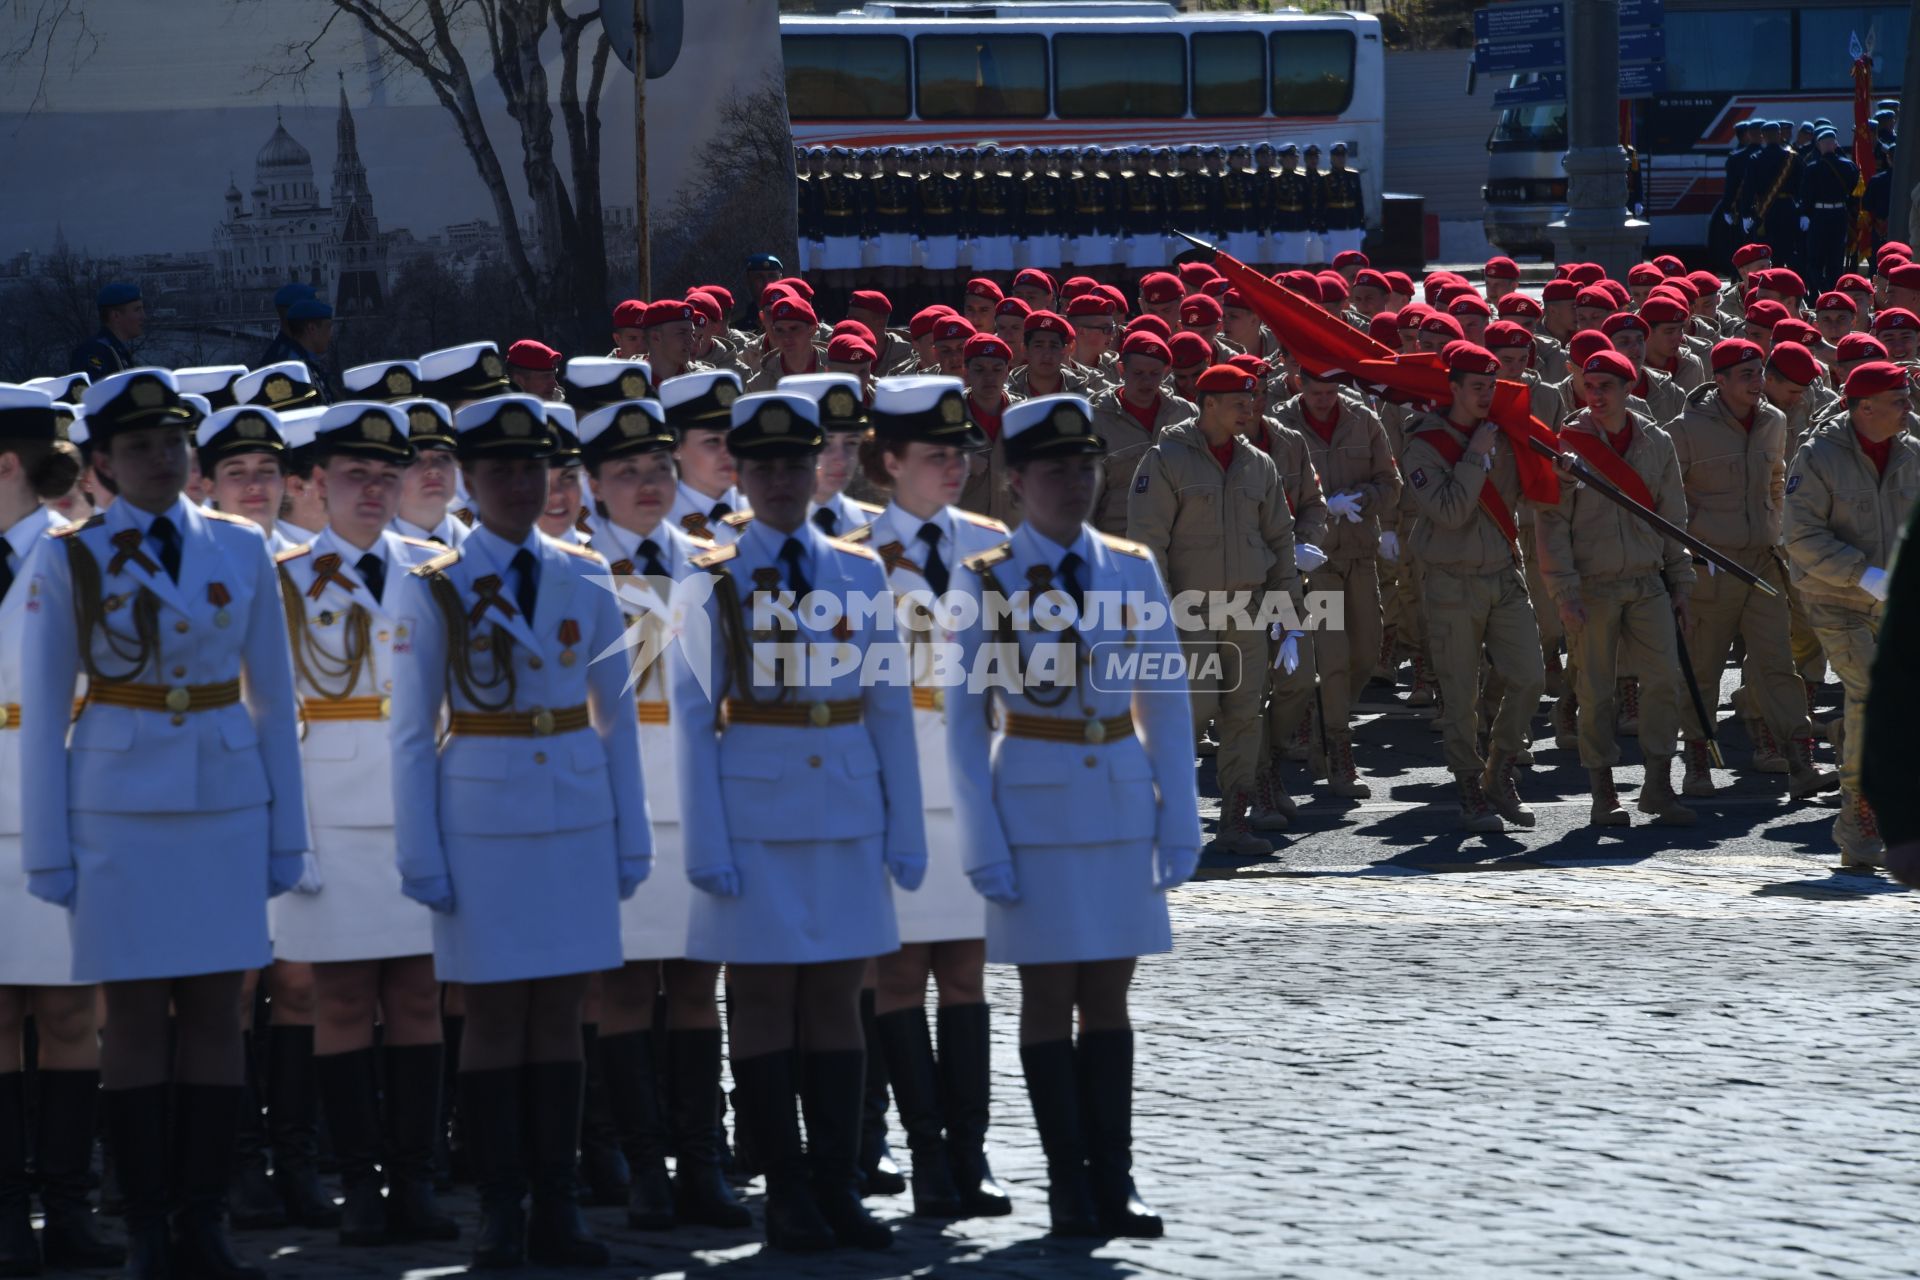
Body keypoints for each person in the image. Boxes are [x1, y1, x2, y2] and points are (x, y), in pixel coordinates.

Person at [22, 368, 311, 1280]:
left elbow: (276, 698)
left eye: (171, 443)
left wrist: (286, 832)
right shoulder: (71, 557)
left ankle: (206, 1216)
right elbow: (40, 713)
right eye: (137, 446)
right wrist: (47, 850)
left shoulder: (239, 547)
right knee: (140, 1016)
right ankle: (148, 1221)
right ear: (99, 463)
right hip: (118, 808)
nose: (159, 458)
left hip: (225, 803)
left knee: (220, 1013)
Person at [388, 393, 649, 1267]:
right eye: (497, 468)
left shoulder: (586, 572)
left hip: (574, 811)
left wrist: (631, 835)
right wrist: (420, 854)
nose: (516, 483)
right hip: (483, 821)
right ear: (467, 477)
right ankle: (501, 1208)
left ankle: (559, 1200)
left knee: (565, 1011)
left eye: (530, 466)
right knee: (498, 1015)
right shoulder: (438, 583)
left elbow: (618, 717)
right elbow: (410, 732)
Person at [667, 389, 925, 1253]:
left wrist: (906, 828)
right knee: (767, 1001)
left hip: (847, 806)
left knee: (838, 1002)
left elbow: (889, 706)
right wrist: (704, 845)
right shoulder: (707, 577)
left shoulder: (860, 572)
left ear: (818, 468)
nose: (779, 479)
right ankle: (784, 1190)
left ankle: (837, 1182)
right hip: (754, 814)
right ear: (739, 472)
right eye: (763, 464)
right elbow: (694, 723)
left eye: (793, 463)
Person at [945, 393, 1199, 1239]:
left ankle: (1115, 1177)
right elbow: (960, 721)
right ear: (1014, 480)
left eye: (1085, 465)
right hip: (1034, 803)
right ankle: (1067, 1183)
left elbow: (1164, 701)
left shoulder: (1132, 567)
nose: (1073, 482)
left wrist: (1180, 815)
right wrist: (980, 840)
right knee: (1049, 996)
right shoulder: (985, 579)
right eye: (1053, 469)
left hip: (1121, 800)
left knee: (1111, 996)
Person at [270, 400, 458, 1248]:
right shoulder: (280, 580)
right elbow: (265, 720)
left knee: (419, 997)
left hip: (424, 815)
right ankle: (359, 1185)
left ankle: (416, 1178)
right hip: (329, 822)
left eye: (387, 477)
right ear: (315, 485)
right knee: (339, 999)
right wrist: (289, 839)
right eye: (355, 476)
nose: (375, 491)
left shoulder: (438, 570)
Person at [572, 397, 750, 1234]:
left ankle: (701, 1159)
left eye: (656, 469)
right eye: (624, 472)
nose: (645, 485)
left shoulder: (710, 567)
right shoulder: (572, 570)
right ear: (593, 483)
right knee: (623, 991)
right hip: (612, 805)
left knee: (693, 989)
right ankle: (641, 1164)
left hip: (697, 798)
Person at [850, 377, 1012, 1221]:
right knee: (898, 976)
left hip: (972, 784)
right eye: (935, 454)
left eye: (961, 452)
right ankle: (924, 1156)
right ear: (889, 463)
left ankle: (970, 1152)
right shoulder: (850, 553)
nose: (954, 467)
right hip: (889, 788)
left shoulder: (993, 545)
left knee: (967, 976)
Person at [0, 388, 120, 1275]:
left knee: (72, 1012)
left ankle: (70, 1203)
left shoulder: (83, 558)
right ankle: (6, 1209)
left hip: (62, 806)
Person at [1127, 367, 1300, 857]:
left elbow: (1280, 539)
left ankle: (1234, 821)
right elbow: (1147, 542)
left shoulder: (1259, 464)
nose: (1250, 409)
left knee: (1246, 713)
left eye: (1252, 400)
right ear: (1207, 404)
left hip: (1245, 609)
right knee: (1190, 710)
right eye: (1238, 402)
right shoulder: (1165, 459)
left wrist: (1288, 613)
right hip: (1188, 609)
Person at [1534, 350, 1698, 826]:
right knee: (1596, 691)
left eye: (1608, 385)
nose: (1598, 394)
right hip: (1592, 586)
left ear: (1630, 389)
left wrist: (1681, 582)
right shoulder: (1567, 445)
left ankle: (1658, 785)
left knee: (1665, 680)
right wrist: (1564, 594)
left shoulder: (1657, 441)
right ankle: (1603, 791)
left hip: (1648, 580)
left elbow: (1673, 517)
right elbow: (1552, 526)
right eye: (1591, 384)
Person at [1668, 340, 1832, 798]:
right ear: (1719, 382)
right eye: (1746, 375)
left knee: (1778, 666)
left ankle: (1801, 763)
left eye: (1760, 373)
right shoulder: (1684, 430)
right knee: (1703, 670)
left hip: (1762, 564)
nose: (1758, 383)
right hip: (1710, 567)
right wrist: (1682, 563)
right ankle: (1697, 764)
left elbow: (1776, 480)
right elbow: (1669, 502)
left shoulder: (1773, 422)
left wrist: (1775, 530)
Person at [1399, 343, 1547, 831]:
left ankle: (1499, 768)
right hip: (1451, 579)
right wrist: (1474, 457)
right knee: (1460, 694)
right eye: (1477, 387)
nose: (1486, 395)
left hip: (1504, 573)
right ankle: (1468, 784)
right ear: (1454, 388)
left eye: (1491, 386)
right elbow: (1448, 511)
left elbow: (1525, 491)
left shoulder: (1500, 431)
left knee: (1530, 676)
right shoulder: (1423, 443)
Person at [1783, 361, 1920, 867]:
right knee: (1874, 693)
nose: (1909, 406)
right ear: (1866, 407)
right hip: (1835, 599)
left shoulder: (1912, 454)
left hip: (1895, 604)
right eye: (1899, 399)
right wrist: (1865, 575)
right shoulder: (1818, 456)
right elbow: (1799, 537)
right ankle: (1859, 822)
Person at [1267, 367, 1400, 798]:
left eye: (1330, 391)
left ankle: (1323, 722)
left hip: (1359, 553)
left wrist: (1359, 500)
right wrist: (1319, 514)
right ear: (1298, 384)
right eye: (1315, 390)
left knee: (1366, 652)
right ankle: (1341, 752)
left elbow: (1390, 482)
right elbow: (1270, 493)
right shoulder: (1280, 425)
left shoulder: (1364, 419)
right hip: (1313, 560)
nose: (1324, 399)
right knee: (1334, 657)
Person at [783, 374, 881, 537]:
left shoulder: (881, 531)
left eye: (851, 442)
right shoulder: (751, 538)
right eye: (826, 443)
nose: (841, 459)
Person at [659, 372, 747, 542]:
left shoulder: (765, 511)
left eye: (734, 438)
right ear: (676, 447)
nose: (728, 451)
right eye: (713, 441)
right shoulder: (653, 523)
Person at [259, 300, 339, 404]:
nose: (330, 334)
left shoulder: (306, 363)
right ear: (312, 329)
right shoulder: (294, 370)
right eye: (328, 327)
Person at [69, 283, 143, 378]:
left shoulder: (118, 352)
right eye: (137, 310)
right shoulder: (94, 351)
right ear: (116, 316)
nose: (143, 316)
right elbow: (93, 390)